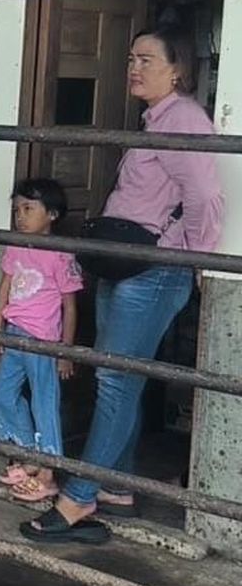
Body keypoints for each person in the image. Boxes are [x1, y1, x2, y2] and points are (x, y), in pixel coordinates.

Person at [22, 26, 224, 545]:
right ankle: (116, 487)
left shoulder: (183, 120)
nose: (134, 68)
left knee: (115, 382)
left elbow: (205, 196)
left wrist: (187, 255)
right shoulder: (155, 117)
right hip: (127, 266)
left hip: (152, 271)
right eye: (131, 58)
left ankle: (77, 499)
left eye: (147, 60)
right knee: (121, 379)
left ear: (177, 69)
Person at [0, 178, 82, 502]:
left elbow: (69, 306)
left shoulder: (60, 255)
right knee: (3, 395)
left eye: (28, 209)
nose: (20, 216)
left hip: (44, 340)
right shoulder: (16, 244)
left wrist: (64, 352)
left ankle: (48, 474)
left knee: (45, 404)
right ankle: (29, 455)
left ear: (52, 215)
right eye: (17, 209)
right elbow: (4, 287)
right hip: (14, 334)